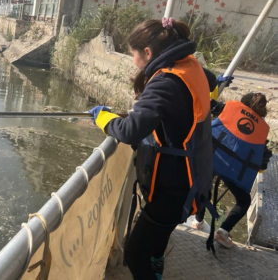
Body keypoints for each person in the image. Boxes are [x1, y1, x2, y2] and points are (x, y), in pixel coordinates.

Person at [89, 17, 214, 280]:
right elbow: (210, 82)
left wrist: (104, 119)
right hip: (194, 177)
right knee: (158, 237)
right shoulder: (191, 65)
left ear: (147, 52)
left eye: (134, 55)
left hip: (174, 189)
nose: (133, 62)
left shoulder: (165, 82)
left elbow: (130, 131)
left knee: (134, 254)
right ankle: (157, 267)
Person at [192, 92, 272, 248]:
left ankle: (198, 221)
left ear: (242, 103)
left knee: (204, 186)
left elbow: (203, 104)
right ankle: (223, 231)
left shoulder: (227, 108)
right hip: (235, 172)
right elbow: (262, 165)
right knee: (244, 201)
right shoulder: (262, 132)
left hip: (214, 159)